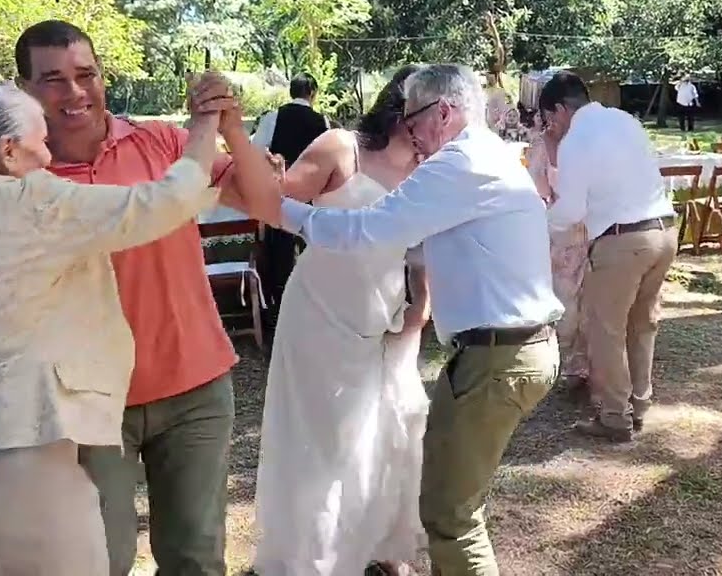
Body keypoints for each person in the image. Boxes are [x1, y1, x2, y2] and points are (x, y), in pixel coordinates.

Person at [0, 20, 243, 576]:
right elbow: (164, 202)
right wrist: (202, 127)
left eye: (86, 75)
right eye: (39, 139)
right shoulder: (34, 199)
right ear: (7, 150)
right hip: (16, 453)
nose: (50, 149)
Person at [228, 63, 562, 576]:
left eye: (416, 121)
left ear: (443, 112)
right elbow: (423, 246)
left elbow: (369, 231)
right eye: (405, 121)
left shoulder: (458, 163)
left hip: (497, 355)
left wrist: (283, 213)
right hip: (487, 345)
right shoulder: (480, 157)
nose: (413, 133)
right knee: (442, 499)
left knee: (451, 516)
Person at [235, 65, 431, 576]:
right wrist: (262, 166)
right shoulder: (340, 146)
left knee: (392, 426)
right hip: (320, 310)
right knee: (321, 437)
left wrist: (419, 307)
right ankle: (314, 554)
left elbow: (423, 251)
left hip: (387, 316)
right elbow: (275, 204)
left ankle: (382, 541)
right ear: (405, 107)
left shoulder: (434, 166)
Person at [539, 71, 678, 442]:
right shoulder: (624, 120)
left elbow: (569, 210)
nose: (552, 127)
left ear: (560, 109)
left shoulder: (576, 139)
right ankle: (640, 402)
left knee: (605, 329)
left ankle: (616, 415)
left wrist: (538, 223)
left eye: (550, 118)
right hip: (664, 231)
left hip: (623, 240)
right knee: (642, 322)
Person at [252, 72, 330, 352]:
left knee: (280, 255)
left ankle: (282, 312)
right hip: (312, 199)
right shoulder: (322, 122)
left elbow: (254, 150)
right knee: (313, 251)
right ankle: (315, 311)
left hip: (281, 196)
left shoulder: (272, 118)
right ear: (313, 93)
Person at [525, 116, 590, 399]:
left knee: (568, 295)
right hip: (585, 226)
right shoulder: (588, 141)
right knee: (581, 295)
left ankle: (574, 365)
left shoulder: (542, 144)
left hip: (566, 227)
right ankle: (581, 364)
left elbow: (538, 188)